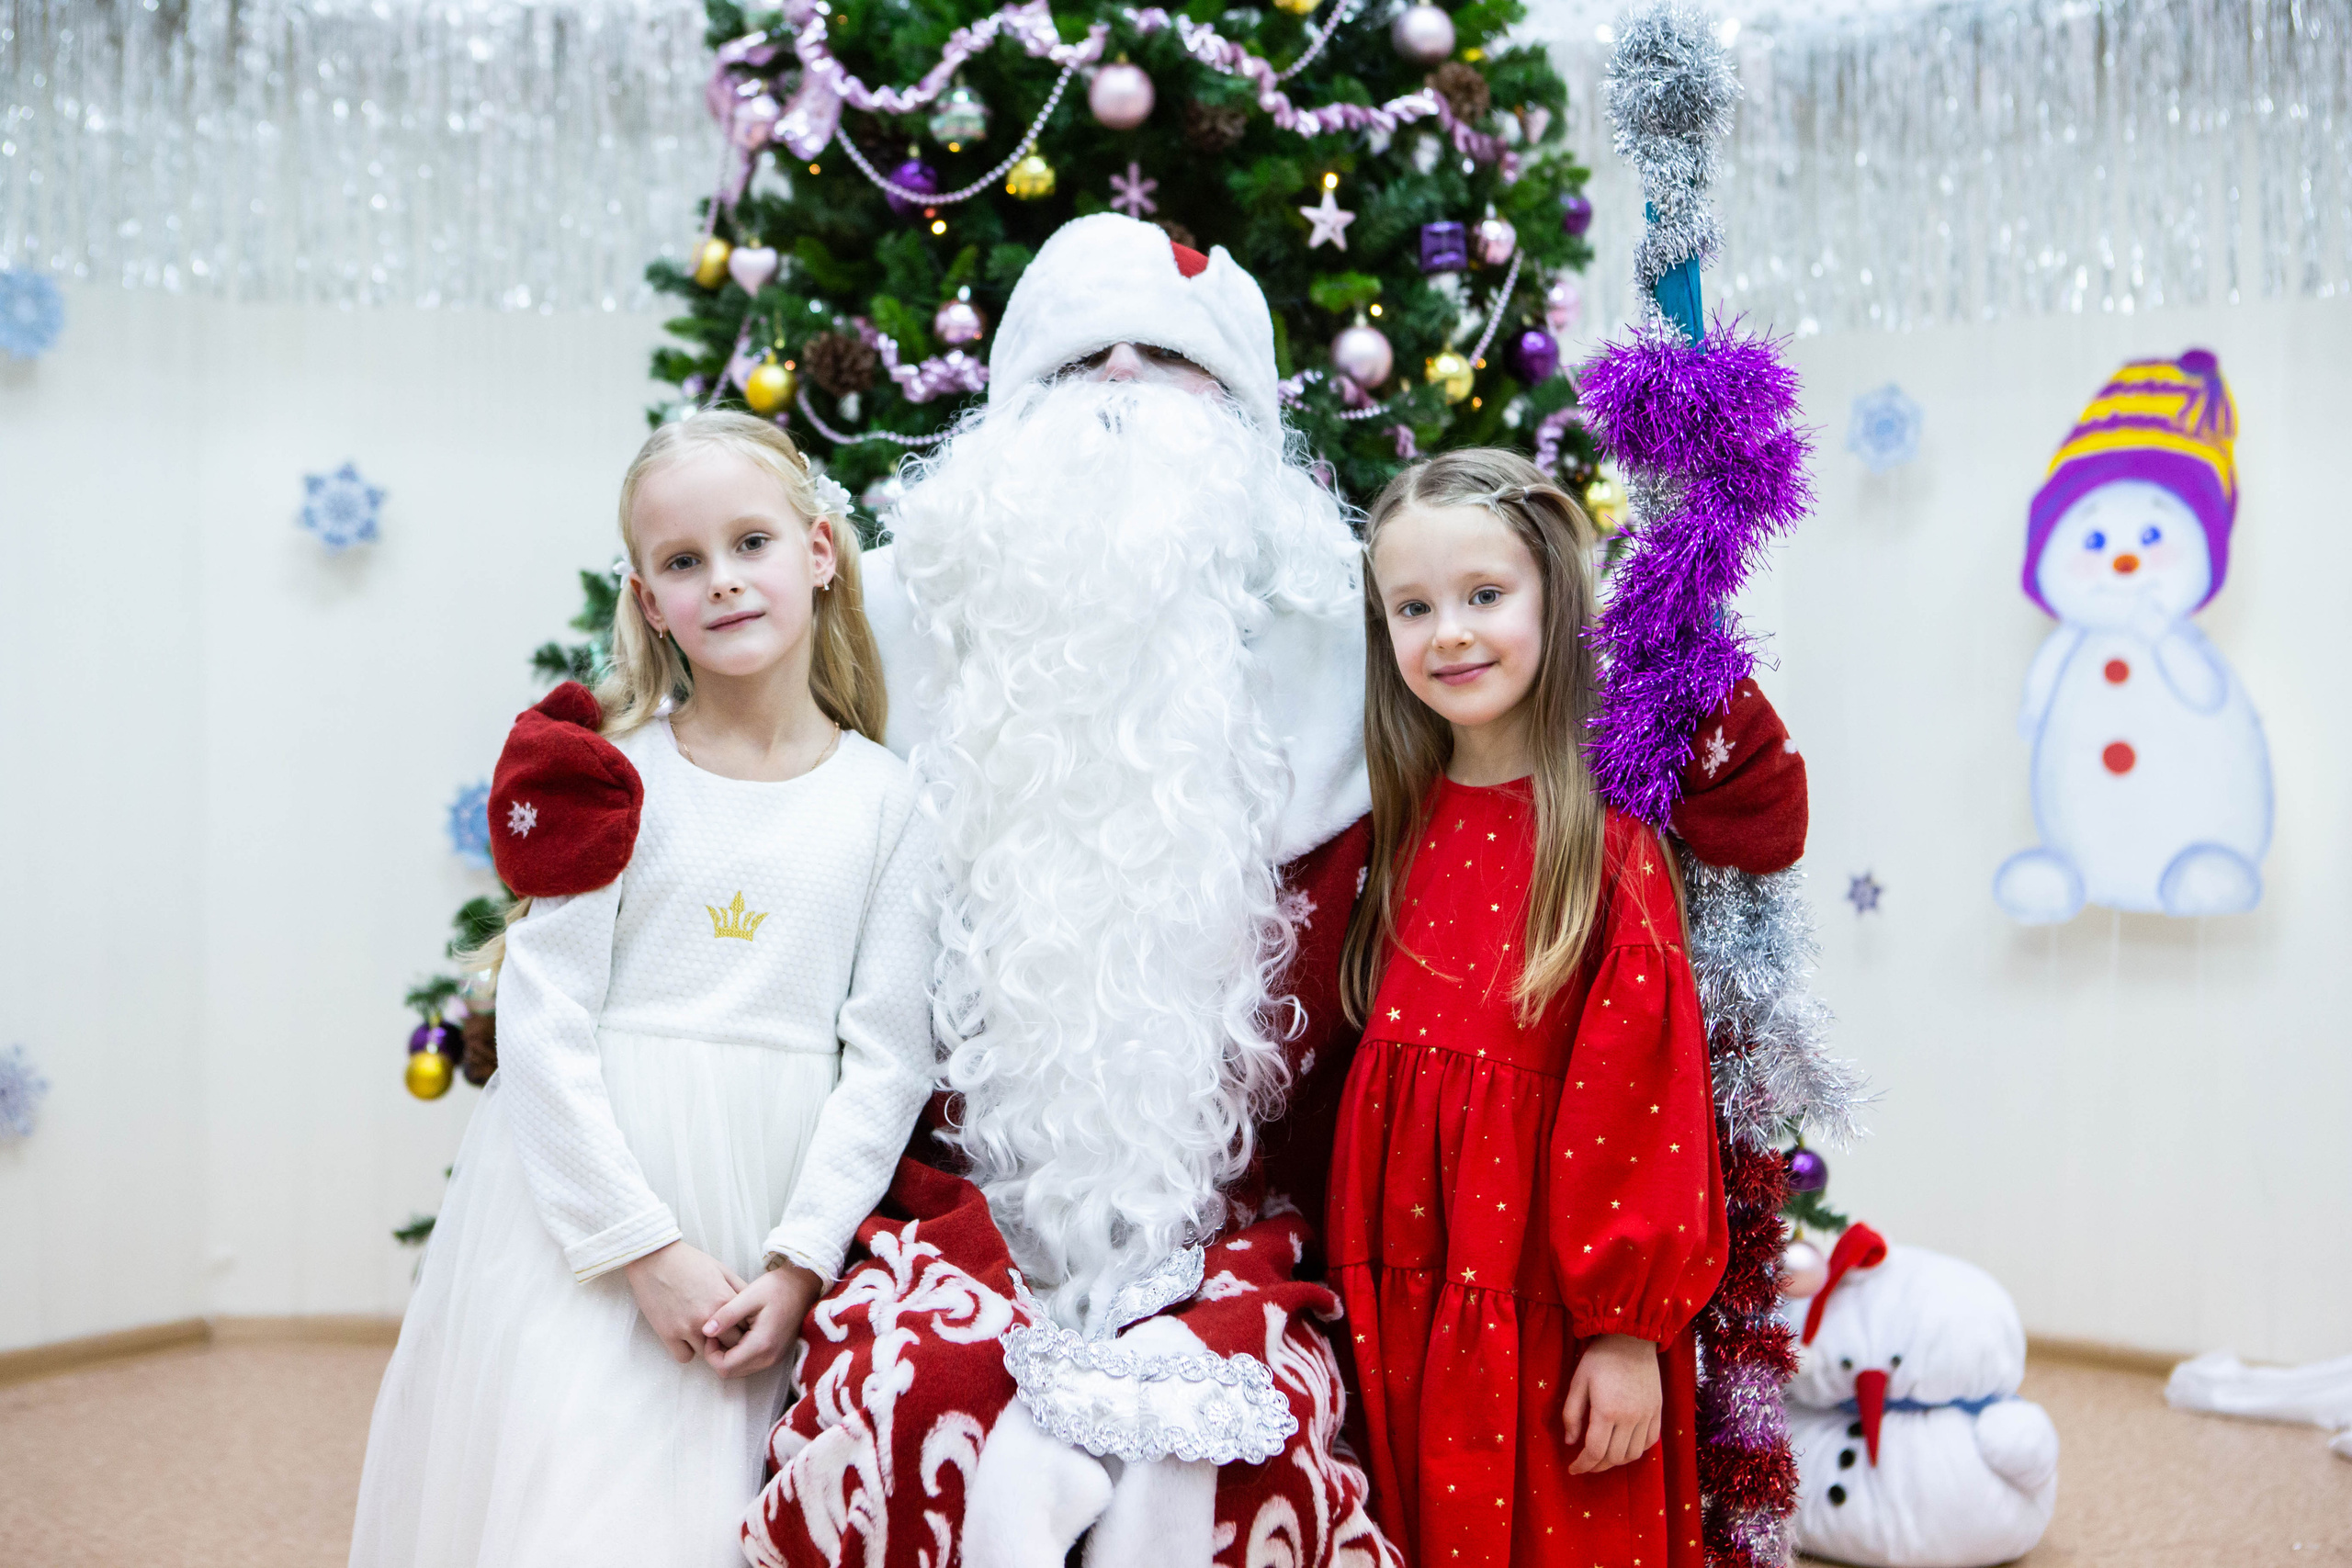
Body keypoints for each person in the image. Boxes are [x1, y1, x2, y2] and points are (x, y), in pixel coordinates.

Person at [741, 213, 1395, 1568]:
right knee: (909, 1408)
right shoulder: (902, 646)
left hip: (1236, 1235)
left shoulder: (1348, 671)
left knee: (1230, 1459)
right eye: (1082, 358)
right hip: (946, 1217)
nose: (1121, 388)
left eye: (1170, 359)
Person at [349, 412, 938, 1568]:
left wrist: (801, 1258)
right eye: (682, 562)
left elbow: (888, 1056)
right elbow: (545, 1020)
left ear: (818, 551)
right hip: (589, 1216)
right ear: (648, 595)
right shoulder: (610, 779)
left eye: (749, 542)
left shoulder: (890, 803)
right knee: (580, 1512)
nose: (721, 581)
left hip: (767, 1211)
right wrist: (639, 1247)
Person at [1327, 448, 1729, 1568]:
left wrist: (1627, 1333)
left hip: (1549, 1316)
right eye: (1413, 608)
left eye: (1484, 597)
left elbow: (1642, 1107)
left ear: (1552, 596)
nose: (1448, 633)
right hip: (1399, 1304)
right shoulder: (1389, 826)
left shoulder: (1605, 845)